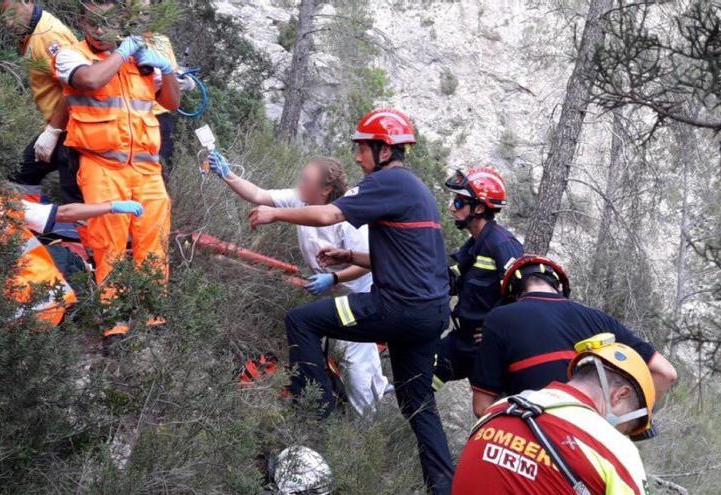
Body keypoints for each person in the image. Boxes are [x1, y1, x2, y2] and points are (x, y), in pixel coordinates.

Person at [249, 108, 454, 493]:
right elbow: (406, 257)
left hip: (395, 308)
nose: (357, 157)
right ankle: (443, 487)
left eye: (362, 148)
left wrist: (276, 216)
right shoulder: (416, 190)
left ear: (383, 150)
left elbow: (329, 214)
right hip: (429, 314)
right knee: (418, 403)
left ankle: (318, 423)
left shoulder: (386, 182)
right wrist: (351, 258)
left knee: (302, 321)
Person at [205, 151, 389, 416]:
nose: (300, 183)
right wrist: (226, 174)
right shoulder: (300, 199)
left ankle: (366, 421)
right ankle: (347, 397)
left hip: (358, 295)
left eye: (306, 180)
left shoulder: (350, 222)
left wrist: (334, 278)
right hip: (330, 292)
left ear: (325, 190)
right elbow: (259, 195)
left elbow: (365, 264)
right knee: (330, 346)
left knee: (355, 357)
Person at [54, 0, 180, 341]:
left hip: (146, 168)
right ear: (81, 21)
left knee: (153, 241)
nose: (98, 30)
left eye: (106, 23)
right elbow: (92, 81)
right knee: (108, 244)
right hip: (101, 165)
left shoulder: (139, 58)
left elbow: (171, 103)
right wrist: (123, 54)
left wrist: (165, 70)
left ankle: (155, 320)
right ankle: (115, 326)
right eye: (92, 23)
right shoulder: (71, 55)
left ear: (119, 22)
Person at [470, 254, 678, 419]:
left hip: (536, 443)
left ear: (513, 295)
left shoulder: (499, 319)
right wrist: (629, 422)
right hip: (591, 445)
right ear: (559, 286)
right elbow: (665, 373)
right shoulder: (598, 319)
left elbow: (482, 407)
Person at [453, 335, 657, 494]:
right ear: (620, 395)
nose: (621, 433)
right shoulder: (615, 447)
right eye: (626, 427)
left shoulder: (499, 409)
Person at [0, 192, 144, 326]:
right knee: (62, 255)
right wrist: (112, 206)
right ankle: (92, 311)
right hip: (47, 312)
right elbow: (64, 213)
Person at [434, 166, 523, 391]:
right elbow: (452, 280)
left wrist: (498, 329)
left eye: (458, 203)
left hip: (487, 347)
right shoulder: (474, 243)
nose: (451, 208)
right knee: (419, 382)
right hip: (462, 340)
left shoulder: (503, 244)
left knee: (487, 411)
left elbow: (524, 294)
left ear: (480, 207)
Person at [0, 0, 82, 203]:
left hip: (72, 127)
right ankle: (35, 223)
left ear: (27, 2)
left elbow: (75, 86)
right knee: (21, 175)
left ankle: (69, 229)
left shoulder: (48, 37)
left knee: (74, 194)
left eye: (11, 15)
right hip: (59, 125)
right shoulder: (31, 33)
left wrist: (53, 131)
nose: (8, 24)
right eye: (3, 19)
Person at [138, 0, 196, 184]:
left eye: (146, 12)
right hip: (132, 115)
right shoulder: (117, 41)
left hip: (160, 116)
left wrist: (184, 81)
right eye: (137, 11)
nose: (142, 16)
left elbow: (173, 70)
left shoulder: (161, 41)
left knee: (161, 170)